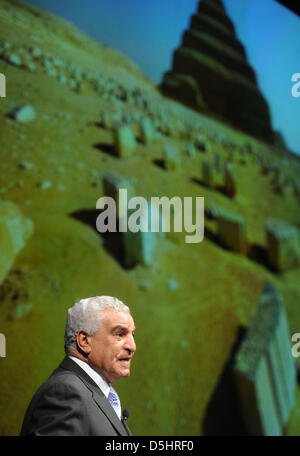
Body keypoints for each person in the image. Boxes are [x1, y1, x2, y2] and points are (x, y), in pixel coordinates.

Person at [20, 295, 136, 436]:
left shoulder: (89, 392)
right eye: (119, 334)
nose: (132, 346)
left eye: (132, 335)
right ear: (84, 341)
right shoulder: (66, 392)